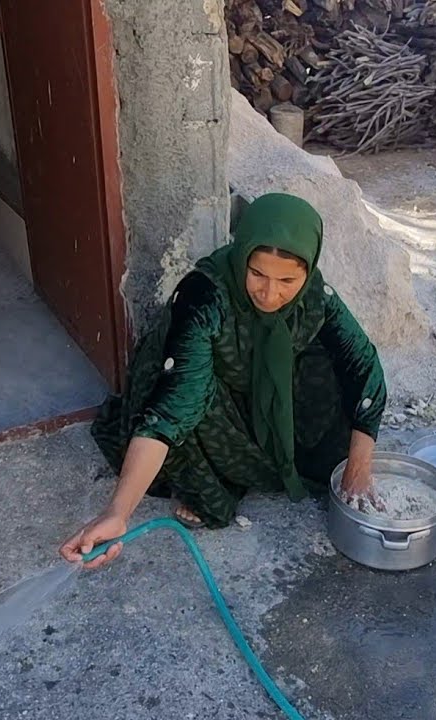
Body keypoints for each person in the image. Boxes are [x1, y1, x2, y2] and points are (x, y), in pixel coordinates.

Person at [60, 194, 387, 568]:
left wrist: (359, 467)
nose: (269, 293)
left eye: (287, 280)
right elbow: (174, 408)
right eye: (257, 273)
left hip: (258, 387)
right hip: (205, 391)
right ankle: (225, 474)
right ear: (241, 254)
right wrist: (118, 511)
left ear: (308, 271)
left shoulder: (317, 298)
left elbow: (364, 368)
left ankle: (263, 454)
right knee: (201, 470)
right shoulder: (204, 296)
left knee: (328, 366)